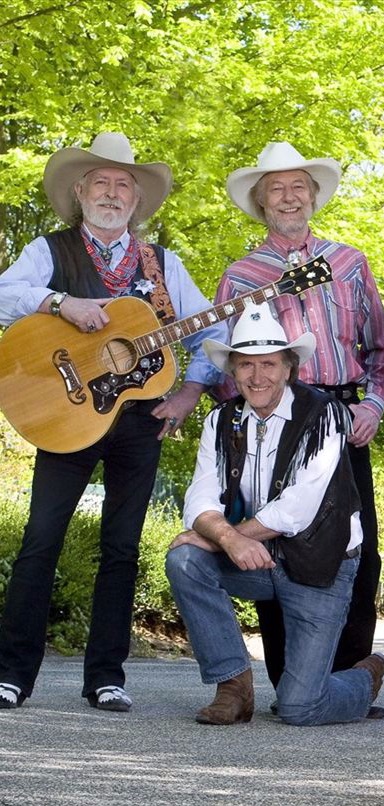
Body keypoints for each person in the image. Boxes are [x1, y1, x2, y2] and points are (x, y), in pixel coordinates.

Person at [0, 132, 227, 712]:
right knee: (40, 542)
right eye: (100, 181)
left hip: (136, 420)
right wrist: (58, 304)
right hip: (65, 415)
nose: (111, 191)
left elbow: (212, 332)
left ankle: (106, 676)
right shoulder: (49, 251)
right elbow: (4, 295)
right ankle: (11, 673)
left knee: (122, 548)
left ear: (136, 199)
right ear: (79, 192)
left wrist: (187, 394)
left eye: (123, 183)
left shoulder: (162, 263)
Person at [215, 142, 384, 717]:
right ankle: (288, 680)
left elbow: (381, 348)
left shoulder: (349, 262)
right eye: (276, 188)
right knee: (277, 544)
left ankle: (354, 677)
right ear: (260, 202)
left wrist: (373, 405)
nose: (289, 197)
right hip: (277, 421)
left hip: (343, 417)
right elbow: (223, 365)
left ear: (313, 196)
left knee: (356, 549)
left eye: (298, 187)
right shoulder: (241, 276)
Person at [165, 301, 384, 726]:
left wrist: (228, 536)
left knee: (301, 708)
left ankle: (363, 677)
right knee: (185, 559)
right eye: (245, 365)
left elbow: (298, 508)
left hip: (320, 565)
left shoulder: (325, 415)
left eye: (268, 364)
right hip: (260, 561)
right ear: (233, 372)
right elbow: (200, 497)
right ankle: (233, 685)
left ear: (288, 367)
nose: (257, 376)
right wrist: (227, 539)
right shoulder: (221, 421)